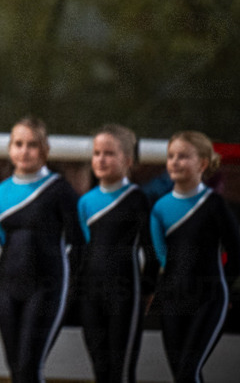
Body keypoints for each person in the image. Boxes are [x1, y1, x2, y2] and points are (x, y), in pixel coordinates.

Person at [0, 117, 83, 383]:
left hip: (47, 286)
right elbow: (0, 238)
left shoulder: (60, 190)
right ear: (10, 148)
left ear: (45, 150)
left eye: (32, 145)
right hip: (7, 288)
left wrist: (74, 282)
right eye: (18, 144)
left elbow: (78, 240)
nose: (25, 151)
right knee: (15, 367)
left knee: (30, 367)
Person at [150, 131, 240, 383]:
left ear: (202, 163)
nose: (175, 162)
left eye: (183, 157)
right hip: (173, 300)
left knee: (187, 371)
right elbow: (160, 258)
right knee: (181, 374)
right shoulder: (160, 208)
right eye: (171, 156)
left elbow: (236, 255)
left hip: (209, 299)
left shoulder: (215, 205)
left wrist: (225, 289)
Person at [76, 124, 157, 383]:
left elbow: (151, 251)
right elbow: (82, 250)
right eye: (97, 153)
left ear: (128, 161)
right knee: (100, 368)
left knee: (120, 371)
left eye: (109, 153)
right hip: (91, 294)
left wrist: (147, 290)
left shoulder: (137, 199)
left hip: (125, 294)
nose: (101, 159)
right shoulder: (85, 202)